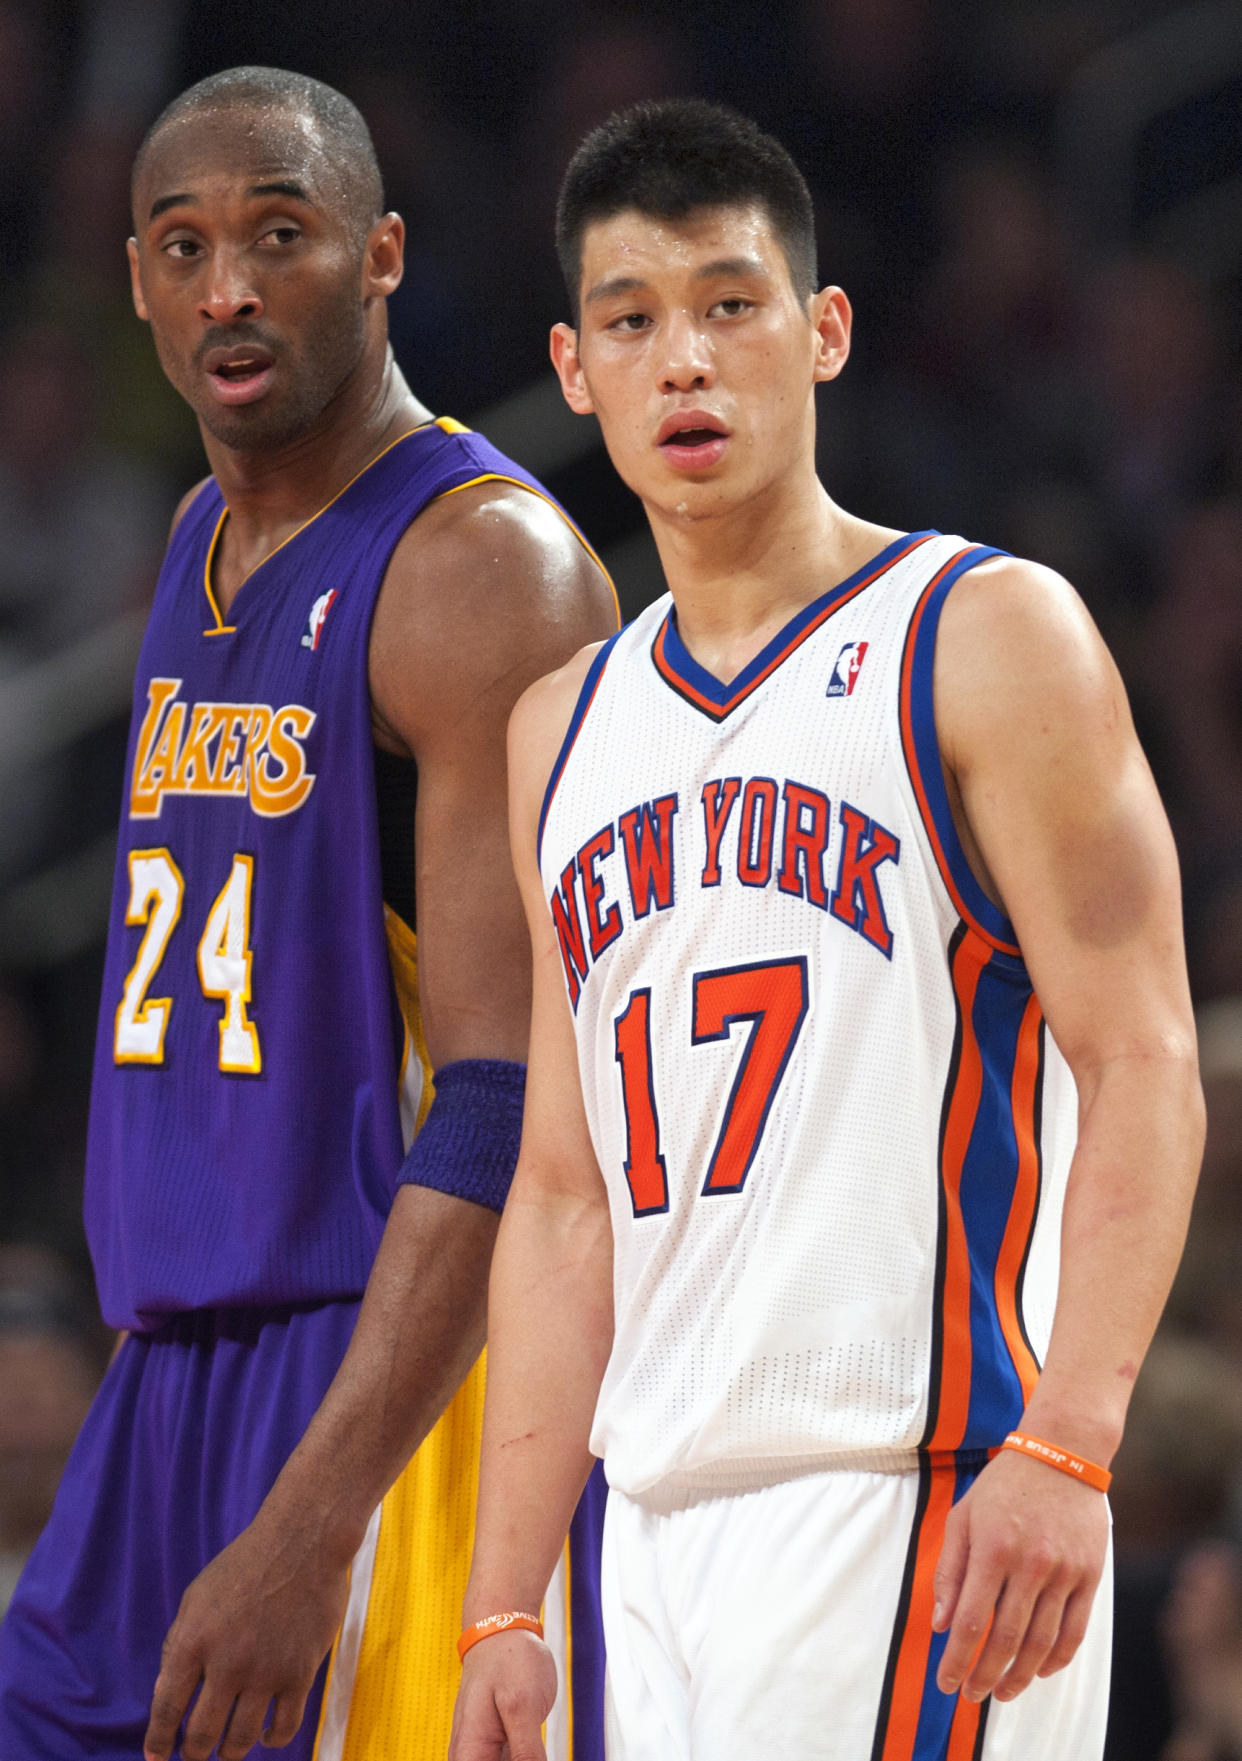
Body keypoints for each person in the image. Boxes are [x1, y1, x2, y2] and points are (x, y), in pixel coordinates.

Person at [448, 99, 1205, 1761]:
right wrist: (506, 1595)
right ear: (572, 370)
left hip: (915, 1489)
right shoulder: (554, 730)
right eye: (632, 321)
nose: (684, 363)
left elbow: (1142, 1049)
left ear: (824, 330)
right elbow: (565, 1198)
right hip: (635, 1529)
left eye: (729, 304)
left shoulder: (984, 631)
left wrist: (1072, 1442)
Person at [0, 66, 617, 1761]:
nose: (231, 289)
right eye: (184, 246)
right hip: (168, 1371)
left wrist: (312, 1520)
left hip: (387, 1385)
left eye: (281, 236)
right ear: (131, 278)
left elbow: (505, 1101)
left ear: (382, 252)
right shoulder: (200, 532)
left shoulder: (486, 566)